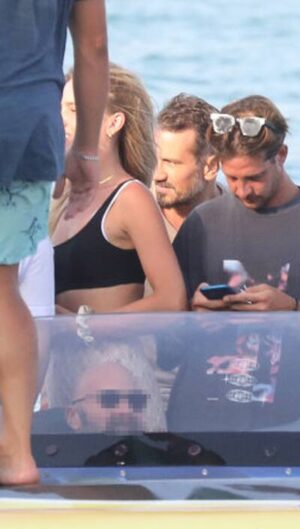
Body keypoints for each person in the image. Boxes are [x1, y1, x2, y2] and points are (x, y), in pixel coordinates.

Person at [0, 0, 108, 484]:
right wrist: (86, 148)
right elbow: (93, 46)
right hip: (29, 125)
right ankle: (16, 451)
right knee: (3, 287)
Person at [173, 94, 300, 312]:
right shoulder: (202, 224)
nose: (242, 191)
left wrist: (293, 311)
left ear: (281, 155)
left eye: (254, 178)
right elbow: (167, 318)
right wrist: (194, 315)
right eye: (232, 178)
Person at [51, 63, 186, 314]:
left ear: (114, 123)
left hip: (108, 342)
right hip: (58, 341)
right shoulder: (62, 200)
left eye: (74, 109)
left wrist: (84, 326)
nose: (62, 119)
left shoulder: (130, 197)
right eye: (60, 109)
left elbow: (172, 298)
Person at [37, 337, 166, 434]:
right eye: (110, 400)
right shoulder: (47, 462)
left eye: (135, 401)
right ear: (73, 416)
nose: (126, 410)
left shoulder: (164, 460)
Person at [152, 93, 222, 241]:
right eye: (154, 159)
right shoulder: (134, 211)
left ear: (211, 167)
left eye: (171, 163)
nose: (158, 176)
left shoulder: (241, 219)